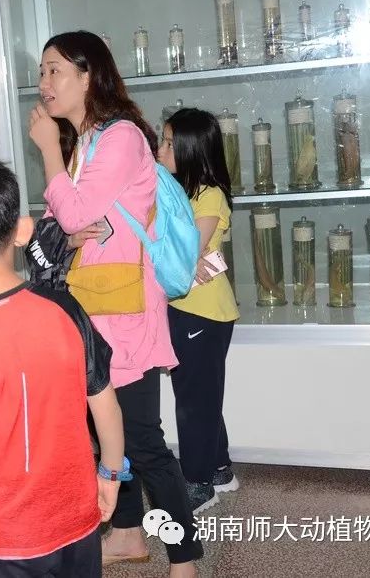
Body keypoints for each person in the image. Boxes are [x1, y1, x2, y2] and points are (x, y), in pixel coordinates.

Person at [27, 30, 201, 576]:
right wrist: (68, 215)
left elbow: (76, 213)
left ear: (88, 77)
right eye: (42, 71)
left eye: (55, 70)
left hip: (124, 314)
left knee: (142, 439)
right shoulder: (86, 144)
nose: (44, 82)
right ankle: (126, 532)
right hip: (89, 308)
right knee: (105, 435)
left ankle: (186, 558)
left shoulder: (120, 137)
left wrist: (49, 152)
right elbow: (64, 221)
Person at [0, 155, 127, 578]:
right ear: (23, 230)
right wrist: (110, 473)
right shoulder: (67, 310)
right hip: (76, 514)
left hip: (2, 535)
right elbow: (105, 401)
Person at [159, 108, 241, 514]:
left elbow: (187, 254)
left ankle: (198, 483)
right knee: (200, 394)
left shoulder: (210, 196)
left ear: (192, 150)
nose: (160, 150)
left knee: (194, 401)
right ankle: (219, 469)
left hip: (204, 313)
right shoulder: (181, 193)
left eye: (169, 144)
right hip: (184, 308)